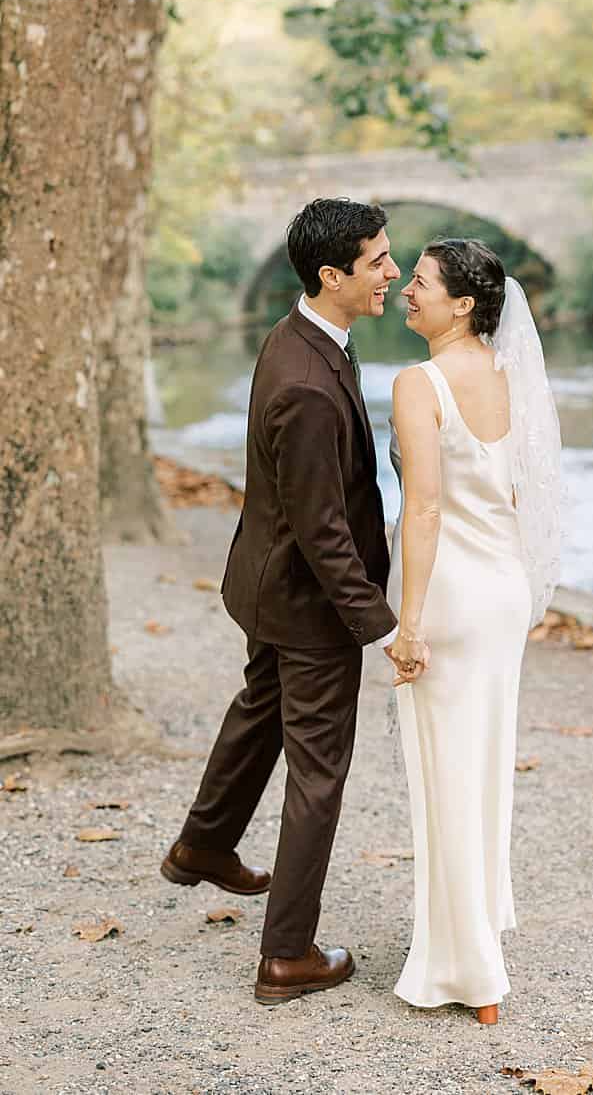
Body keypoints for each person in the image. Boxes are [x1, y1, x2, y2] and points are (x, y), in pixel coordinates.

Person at [161, 198, 419, 1004]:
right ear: (331, 275)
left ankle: (203, 847)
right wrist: (379, 626)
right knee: (318, 771)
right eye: (378, 261)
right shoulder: (308, 382)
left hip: (267, 587)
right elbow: (323, 530)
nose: (393, 272)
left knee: (257, 710)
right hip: (307, 606)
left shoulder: (301, 332)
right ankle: (287, 954)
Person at [383, 238, 564, 1024]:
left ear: (462, 302)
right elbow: (526, 495)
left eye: (418, 283)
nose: (404, 292)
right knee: (485, 766)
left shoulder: (418, 383)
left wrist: (409, 622)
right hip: (502, 592)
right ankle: (478, 923)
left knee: (445, 774)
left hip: (451, 598)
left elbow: (422, 507)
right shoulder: (509, 372)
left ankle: (471, 974)